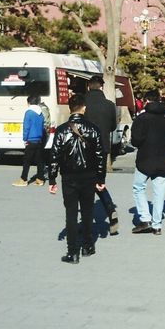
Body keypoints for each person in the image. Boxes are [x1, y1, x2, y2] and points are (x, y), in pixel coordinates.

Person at [45, 92, 107, 263]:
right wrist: (101, 179)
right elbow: (101, 155)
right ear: (84, 108)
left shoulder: (62, 130)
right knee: (88, 212)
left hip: (69, 177)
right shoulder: (93, 129)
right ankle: (88, 245)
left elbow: (54, 156)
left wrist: (52, 179)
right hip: (89, 175)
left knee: (71, 213)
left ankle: (72, 252)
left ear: (69, 109)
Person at [130, 91, 165, 234]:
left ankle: (145, 218)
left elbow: (135, 140)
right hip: (162, 160)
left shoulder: (142, 119)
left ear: (146, 102)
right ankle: (157, 225)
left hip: (144, 160)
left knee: (138, 187)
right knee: (159, 193)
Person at [83, 76, 120, 234]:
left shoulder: (82, 102)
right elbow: (113, 126)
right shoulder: (109, 105)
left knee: (84, 185)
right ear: (102, 87)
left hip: (84, 148)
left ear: (88, 86)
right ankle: (110, 208)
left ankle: (87, 222)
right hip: (103, 147)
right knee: (99, 182)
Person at [12, 91, 48, 187]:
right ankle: (40, 179)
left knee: (27, 161)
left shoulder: (29, 112)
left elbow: (26, 127)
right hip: (39, 139)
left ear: (28, 102)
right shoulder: (40, 113)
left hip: (30, 140)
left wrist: (25, 139)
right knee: (39, 160)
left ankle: (23, 179)